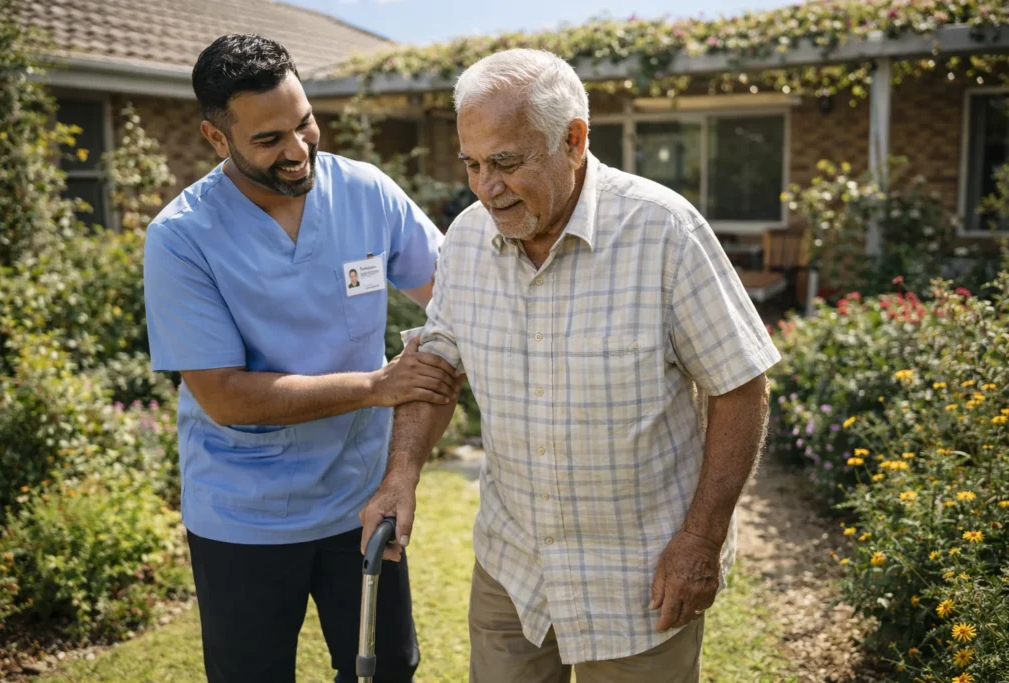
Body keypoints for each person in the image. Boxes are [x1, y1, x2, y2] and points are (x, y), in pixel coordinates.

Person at [360, 48, 780, 683]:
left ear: (574, 140)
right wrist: (401, 475)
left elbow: (739, 388)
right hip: (514, 570)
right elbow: (436, 365)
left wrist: (702, 538)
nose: (485, 188)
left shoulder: (664, 230)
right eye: (472, 164)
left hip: (642, 578)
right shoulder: (471, 238)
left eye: (505, 162)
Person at [143, 33, 460, 683]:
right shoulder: (181, 239)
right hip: (244, 517)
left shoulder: (366, 191)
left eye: (305, 122)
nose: (297, 150)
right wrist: (377, 385)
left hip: (362, 499)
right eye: (268, 140)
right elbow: (226, 396)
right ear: (215, 137)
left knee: (388, 671)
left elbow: (459, 295)